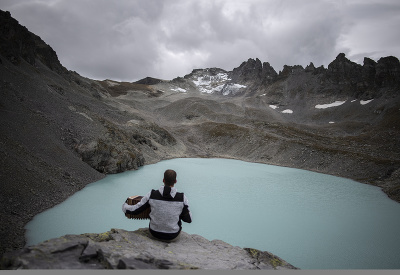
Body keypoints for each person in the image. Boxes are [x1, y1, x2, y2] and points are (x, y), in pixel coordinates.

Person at [122, 169, 192, 241]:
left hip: (154, 234)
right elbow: (188, 219)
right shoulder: (182, 198)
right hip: (173, 236)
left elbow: (135, 210)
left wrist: (125, 206)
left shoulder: (152, 194)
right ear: (175, 181)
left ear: (163, 180)